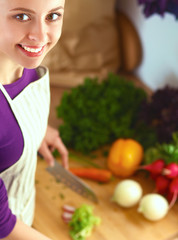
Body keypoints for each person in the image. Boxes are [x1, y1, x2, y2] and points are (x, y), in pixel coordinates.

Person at [0, 0, 68, 239]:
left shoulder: (22, 56)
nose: (40, 36)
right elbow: (2, 226)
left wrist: (36, 131)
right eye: (21, 17)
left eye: (52, 16)